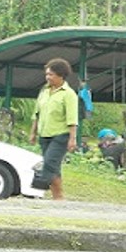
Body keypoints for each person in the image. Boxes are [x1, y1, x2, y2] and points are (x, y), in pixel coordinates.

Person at [29, 58, 79, 201]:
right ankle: (58, 197)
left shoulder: (68, 94)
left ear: (60, 76)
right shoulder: (44, 92)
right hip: (44, 134)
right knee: (53, 167)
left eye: (51, 75)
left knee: (50, 163)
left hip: (60, 135)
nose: (48, 77)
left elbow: (72, 119)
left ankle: (43, 190)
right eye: (47, 74)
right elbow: (36, 113)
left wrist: (72, 138)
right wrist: (33, 132)